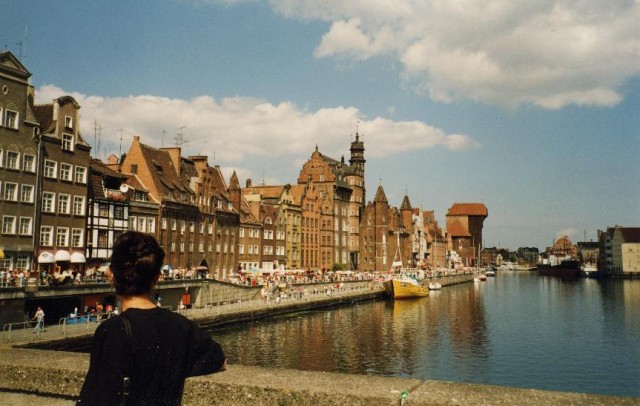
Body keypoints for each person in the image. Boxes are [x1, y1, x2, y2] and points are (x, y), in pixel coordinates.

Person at [77, 231, 226, 405]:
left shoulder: (113, 330)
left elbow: (97, 396)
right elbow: (219, 360)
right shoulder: (181, 325)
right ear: (156, 279)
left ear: (111, 275)